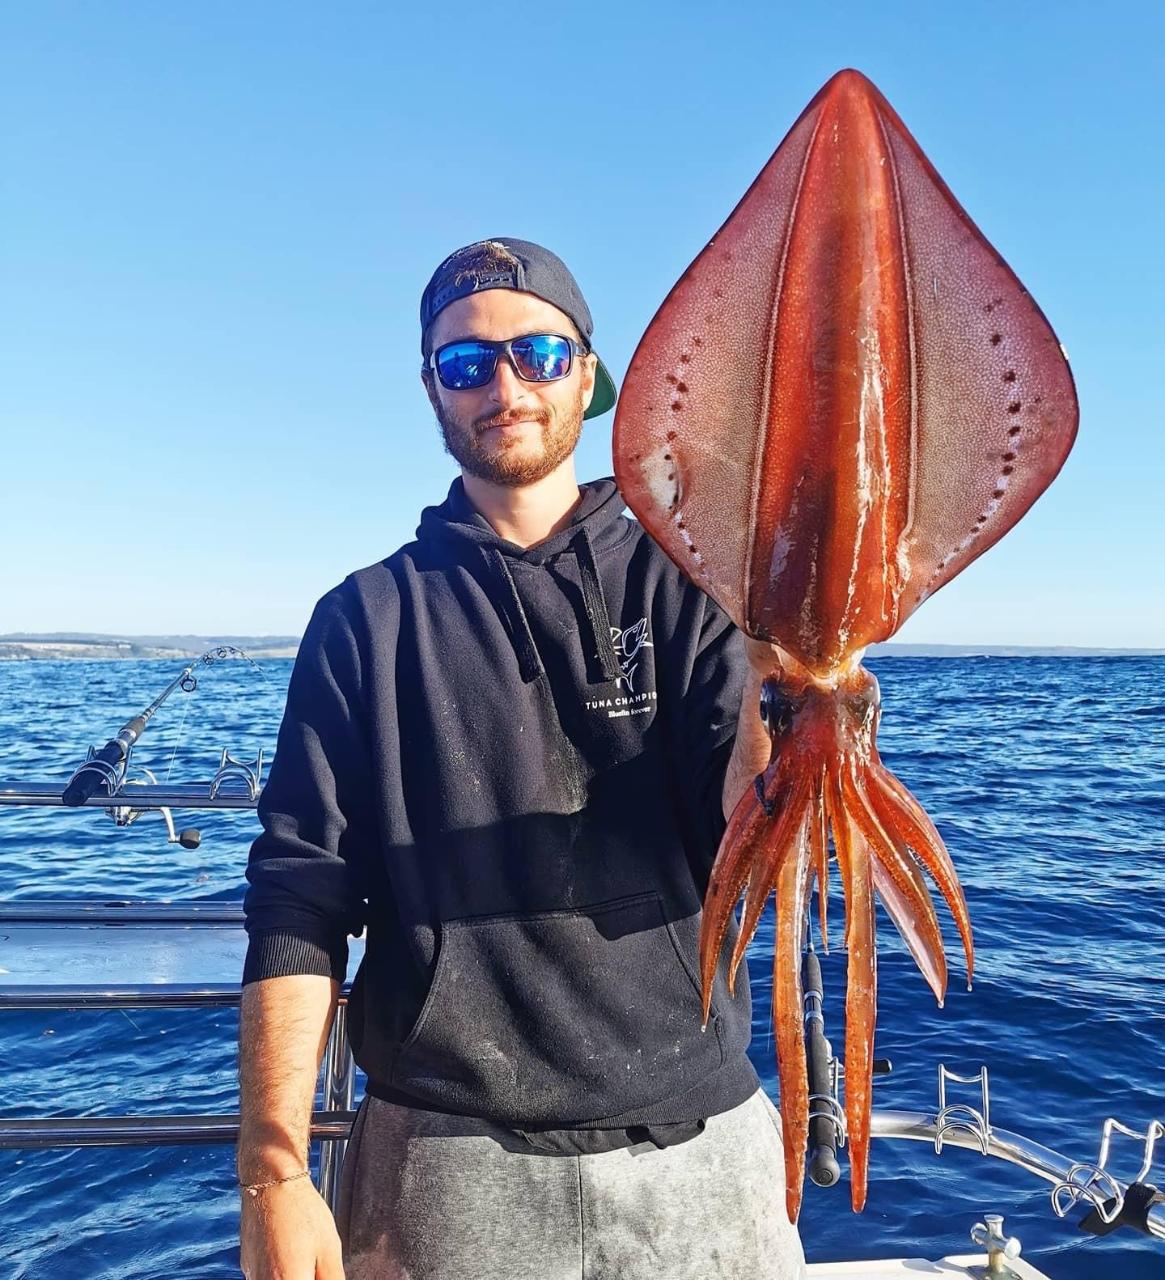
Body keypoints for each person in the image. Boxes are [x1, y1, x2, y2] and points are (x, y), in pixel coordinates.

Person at [237, 237, 807, 1280]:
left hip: (699, 1137)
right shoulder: (363, 619)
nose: (504, 383)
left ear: (588, 375)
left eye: (538, 352)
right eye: (466, 363)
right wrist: (272, 1175)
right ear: (432, 390)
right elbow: (297, 897)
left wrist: (795, 687)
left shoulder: (696, 584)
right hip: (447, 1157)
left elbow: (751, 831)